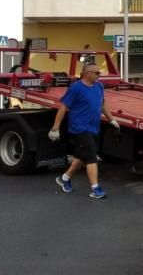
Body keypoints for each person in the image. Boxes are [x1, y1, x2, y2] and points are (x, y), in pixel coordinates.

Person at [49, 62, 119, 199]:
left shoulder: (99, 86)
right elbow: (63, 107)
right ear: (87, 74)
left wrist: (111, 119)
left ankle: (65, 178)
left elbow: (102, 103)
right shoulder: (76, 88)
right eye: (96, 73)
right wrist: (55, 128)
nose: (99, 75)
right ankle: (96, 189)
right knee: (92, 157)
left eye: (100, 72)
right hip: (80, 128)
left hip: (94, 127)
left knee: (81, 157)